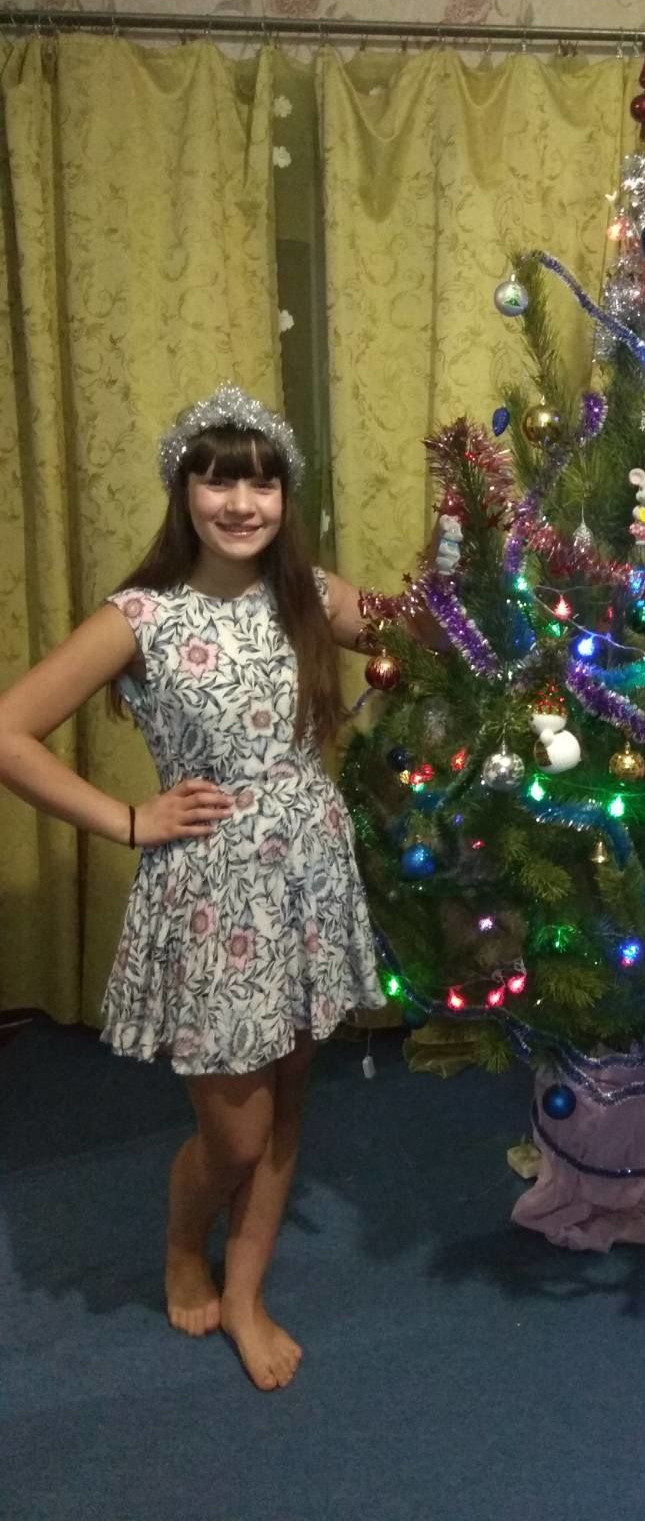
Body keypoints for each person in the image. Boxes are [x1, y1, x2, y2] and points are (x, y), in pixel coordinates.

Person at [0, 385, 387, 1392]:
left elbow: (420, 633)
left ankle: (246, 1294)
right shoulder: (140, 615)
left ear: (285, 495)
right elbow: (7, 731)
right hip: (214, 894)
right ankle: (183, 1244)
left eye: (262, 481)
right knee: (236, 1130)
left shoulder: (309, 594)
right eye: (218, 480)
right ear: (184, 491)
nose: (241, 502)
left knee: (289, 1096)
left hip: (307, 870)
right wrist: (128, 820)